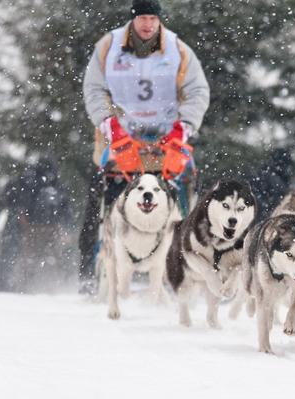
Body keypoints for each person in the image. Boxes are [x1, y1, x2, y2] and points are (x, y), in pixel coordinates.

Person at [80, 0, 210, 293]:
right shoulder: (108, 46)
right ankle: (90, 263)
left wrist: (183, 126)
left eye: (153, 18)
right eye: (142, 18)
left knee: (184, 193)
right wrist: (109, 124)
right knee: (100, 191)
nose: (148, 24)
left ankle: (183, 265)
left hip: (167, 137)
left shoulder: (178, 50)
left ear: (159, 20)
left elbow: (197, 91)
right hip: (119, 135)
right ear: (133, 20)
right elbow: (93, 88)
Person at [0, 158, 71, 292]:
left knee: (11, 254)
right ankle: (44, 285)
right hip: (46, 228)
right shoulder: (55, 186)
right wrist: (65, 227)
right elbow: (65, 210)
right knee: (44, 257)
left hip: (23, 226)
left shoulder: (21, 182)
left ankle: (4, 285)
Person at [249, 148, 294, 221]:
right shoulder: (277, 179)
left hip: (259, 212)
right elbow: (276, 200)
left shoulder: (264, 172)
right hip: (265, 215)